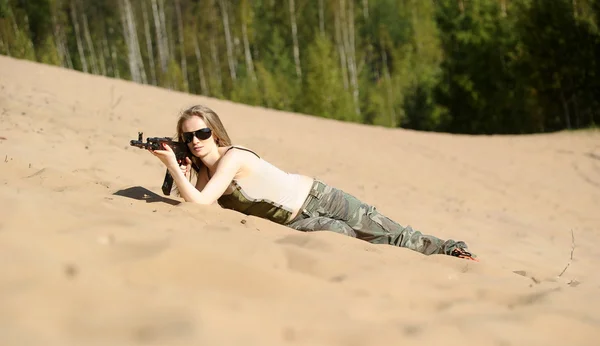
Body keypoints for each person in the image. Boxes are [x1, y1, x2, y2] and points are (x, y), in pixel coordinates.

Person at [149, 104, 477, 261]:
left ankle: (453, 252)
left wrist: (172, 168)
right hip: (299, 223)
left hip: (319, 198)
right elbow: (193, 203)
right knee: (353, 245)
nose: (195, 140)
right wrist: (180, 166)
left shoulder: (233, 157)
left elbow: (202, 202)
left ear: (215, 132)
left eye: (202, 133)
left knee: (394, 235)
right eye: (188, 136)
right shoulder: (204, 173)